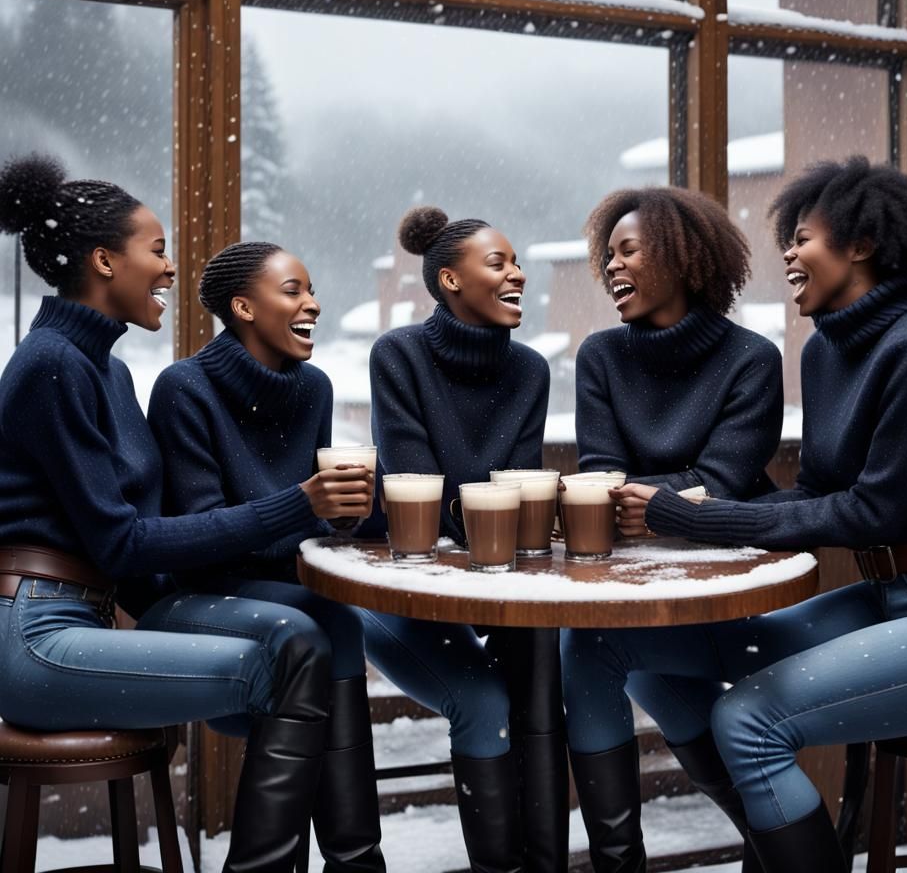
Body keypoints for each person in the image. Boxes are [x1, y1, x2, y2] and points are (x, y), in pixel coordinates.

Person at [562, 157, 907, 873]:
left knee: (746, 720)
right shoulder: (826, 351)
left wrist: (694, 519)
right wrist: (697, 510)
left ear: (861, 245)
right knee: (613, 649)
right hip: (887, 599)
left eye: (802, 237)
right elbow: (812, 491)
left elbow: (872, 510)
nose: (787, 254)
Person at [0, 155, 367, 873]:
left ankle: (354, 864)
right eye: (157, 250)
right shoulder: (52, 364)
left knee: (314, 633)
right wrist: (292, 507)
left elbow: (136, 543)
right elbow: (122, 541)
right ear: (105, 261)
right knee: (297, 651)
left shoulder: (106, 368)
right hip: (37, 638)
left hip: (92, 617)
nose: (170, 271)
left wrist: (203, 605)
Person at [146, 241, 385, 872]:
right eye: (294, 291)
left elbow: (313, 521)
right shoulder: (183, 388)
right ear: (244, 306)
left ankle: (348, 862)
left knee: (334, 619)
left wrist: (348, 513)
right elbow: (196, 537)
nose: (313, 303)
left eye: (310, 290)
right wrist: (303, 504)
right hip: (203, 594)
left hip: (294, 594)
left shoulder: (315, 388)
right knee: (322, 623)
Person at [570, 186, 782, 872]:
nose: (612, 267)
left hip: (738, 587)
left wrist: (658, 497)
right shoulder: (600, 355)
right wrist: (676, 493)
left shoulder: (753, 358)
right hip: (639, 586)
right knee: (590, 645)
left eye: (628, 250)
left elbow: (722, 482)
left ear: (683, 257)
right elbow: (602, 476)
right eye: (608, 255)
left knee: (723, 718)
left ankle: (779, 846)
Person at [363, 206, 558, 872]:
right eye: (499, 263)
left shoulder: (530, 369)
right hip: (407, 586)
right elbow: (417, 483)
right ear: (449, 279)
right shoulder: (398, 355)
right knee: (490, 699)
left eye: (517, 262)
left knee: (537, 678)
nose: (519, 275)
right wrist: (488, 517)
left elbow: (518, 482)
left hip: (496, 575)